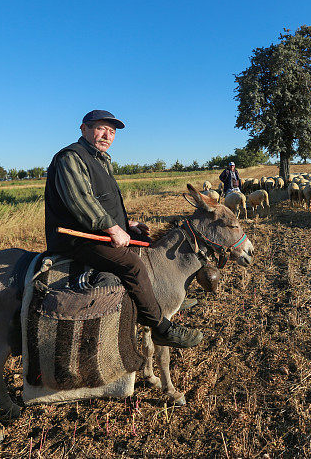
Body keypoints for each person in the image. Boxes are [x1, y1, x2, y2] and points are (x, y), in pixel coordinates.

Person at [44, 109, 202, 349]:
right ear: (83, 129)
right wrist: (111, 228)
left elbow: (103, 202)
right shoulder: (71, 157)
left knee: (148, 244)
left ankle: (159, 297)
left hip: (97, 231)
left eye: (112, 131)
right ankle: (160, 327)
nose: (107, 135)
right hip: (78, 239)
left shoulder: (101, 159)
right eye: (100, 128)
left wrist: (127, 225)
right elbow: (81, 201)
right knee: (132, 266)